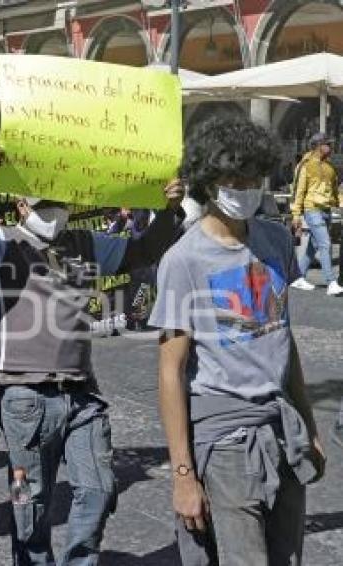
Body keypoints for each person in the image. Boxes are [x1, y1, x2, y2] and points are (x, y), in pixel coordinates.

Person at [0, 140, 186, 565]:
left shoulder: (87, 244)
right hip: (24, 398)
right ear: (21, 206)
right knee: (29, 506)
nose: (52, 211)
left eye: (58, 202)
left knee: (98, 489)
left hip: (82, 395)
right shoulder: (1, 245)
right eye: (42, 204)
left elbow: (144, 250)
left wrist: (168, 211)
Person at [149, 117, 325, 566]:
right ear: (208, 181)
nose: (244, 187)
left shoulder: (276, 240)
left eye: (252, 177)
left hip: (283, 427)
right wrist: (183, 476)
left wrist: (309, 425)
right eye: (232, 178)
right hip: (224, 438)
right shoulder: (182, 260)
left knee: (286, 558)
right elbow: (170, 371)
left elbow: (284, 341)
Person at [289, 132, 343, 295]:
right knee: (325, 243)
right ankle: (331, 282)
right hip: (311, 208)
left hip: (325, 210)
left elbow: (334, 192)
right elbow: (298, 190)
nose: (331, 147)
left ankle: (297, 277)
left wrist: (340, 203)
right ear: (320, 146)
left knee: (313, 246)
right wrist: (296, 214)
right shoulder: (305, 165)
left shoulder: (330, 167)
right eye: (329, 144)